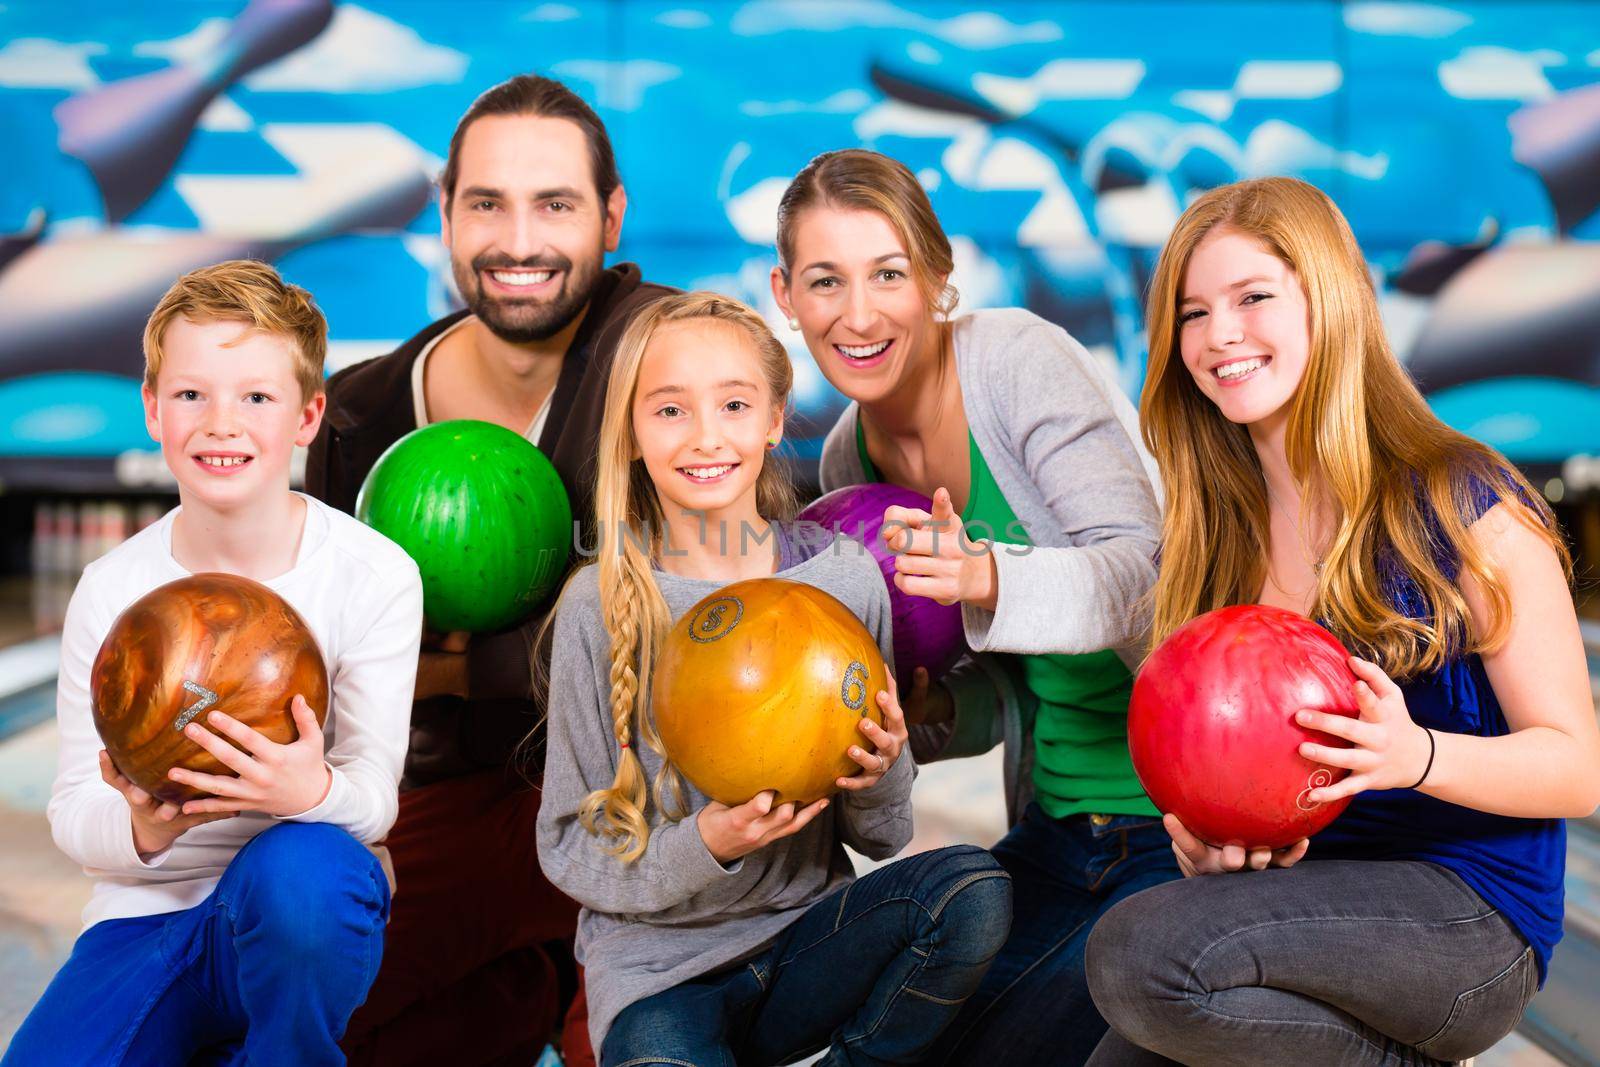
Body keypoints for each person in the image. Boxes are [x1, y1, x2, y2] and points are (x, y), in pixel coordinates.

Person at [1082, 176, 1600, 1065]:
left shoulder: (1462, 501)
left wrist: (1416, 756)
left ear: (1328, 299)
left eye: (1253, 298)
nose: (1221, 335)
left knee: (1141, 954)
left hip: (1469, 916)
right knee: (1131, 1033)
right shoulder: (1216, 542)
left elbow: (1580, 767)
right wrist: (1226, 838)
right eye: (1194, 312)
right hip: (1319, 906)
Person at [770, 148, 1174, 1064]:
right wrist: (930, 715)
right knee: (913, 1039)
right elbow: (1003, 694)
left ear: (939, 281)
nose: (859, 313)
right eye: (826, 280)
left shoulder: (1015, 363)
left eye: (889, 274)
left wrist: (986, 576)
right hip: (1059, 825)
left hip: (1176, 823)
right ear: (785, 295)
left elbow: (1150, 577)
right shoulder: (847, 468)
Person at [535, 290, 1013, 1065]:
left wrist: (885, 768)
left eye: (732, 403)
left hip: (807, 944)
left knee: (973, 889)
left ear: (773, 417)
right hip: (660, 978)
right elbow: (569, 852)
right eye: (669, 411)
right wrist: (706, 842)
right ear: (630, 429)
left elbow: (883, 837)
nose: (705, 436)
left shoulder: (846, 579)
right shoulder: (602, 601)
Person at [304, 74, 672, 1066]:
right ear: (446, 215)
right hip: (438, 807)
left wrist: (469, 669)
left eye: (553, 203)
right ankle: (521, 987)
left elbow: (694, 625)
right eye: (486, 204)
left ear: (610, 214)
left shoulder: (675, 364)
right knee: (303, 985)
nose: (519, 239)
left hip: (640, 804)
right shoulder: (359, 411)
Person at [3, 261, 422, 1066]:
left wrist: (311, 791)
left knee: (308, 871)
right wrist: (143, 823)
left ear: (308, 415)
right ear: (153, 409)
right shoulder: (111, 588)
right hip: (144, 914)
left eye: (256, 397)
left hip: (296, 904)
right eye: (192, 394)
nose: (220, 422)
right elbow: (74, 815)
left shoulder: (372, 575)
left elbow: (373, 803)